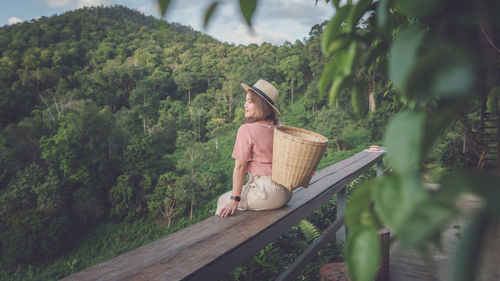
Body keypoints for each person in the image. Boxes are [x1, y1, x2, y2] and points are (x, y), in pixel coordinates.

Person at [216, 79, 292, 218]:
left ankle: (232, 239)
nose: (245, 105)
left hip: (265, 191)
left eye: (250, 102)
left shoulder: (246, 130)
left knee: (223, 201)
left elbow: (239, 167)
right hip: (286, 192)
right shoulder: (278, 127)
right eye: (246, 101)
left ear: (261, 105)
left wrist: (234, 200)